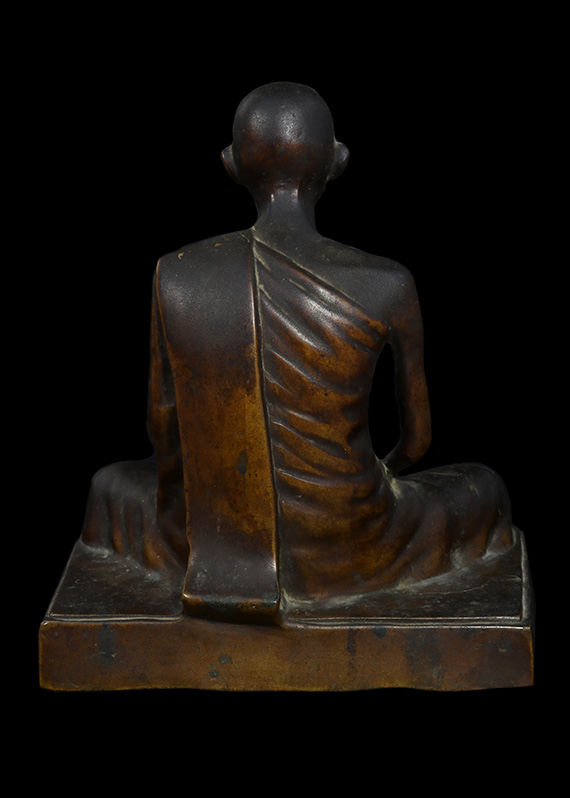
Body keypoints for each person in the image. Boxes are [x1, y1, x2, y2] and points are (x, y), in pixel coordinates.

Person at [81, 82, 516, 622]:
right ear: (337, 161)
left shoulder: (177, 273)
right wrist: (361, 480)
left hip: (209, 543)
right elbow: (417, 441)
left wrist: (212, 504)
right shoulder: (387, 281)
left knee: (109, 487)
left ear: (231, 164)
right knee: (483, 488)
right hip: (353, 539)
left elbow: (161, 432)